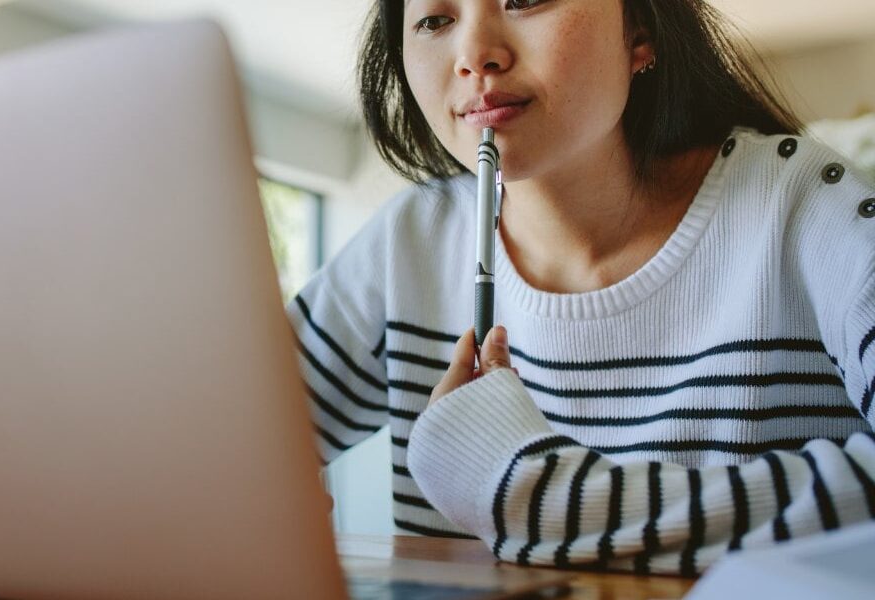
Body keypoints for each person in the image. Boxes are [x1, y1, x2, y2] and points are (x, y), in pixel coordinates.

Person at [286, 0, 875, 575]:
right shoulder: (407, 241)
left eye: (525, 0)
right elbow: (218, 449)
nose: (473, 55)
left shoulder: (809, 208)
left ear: (639, 30)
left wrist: (537, 497)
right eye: (436, 20)